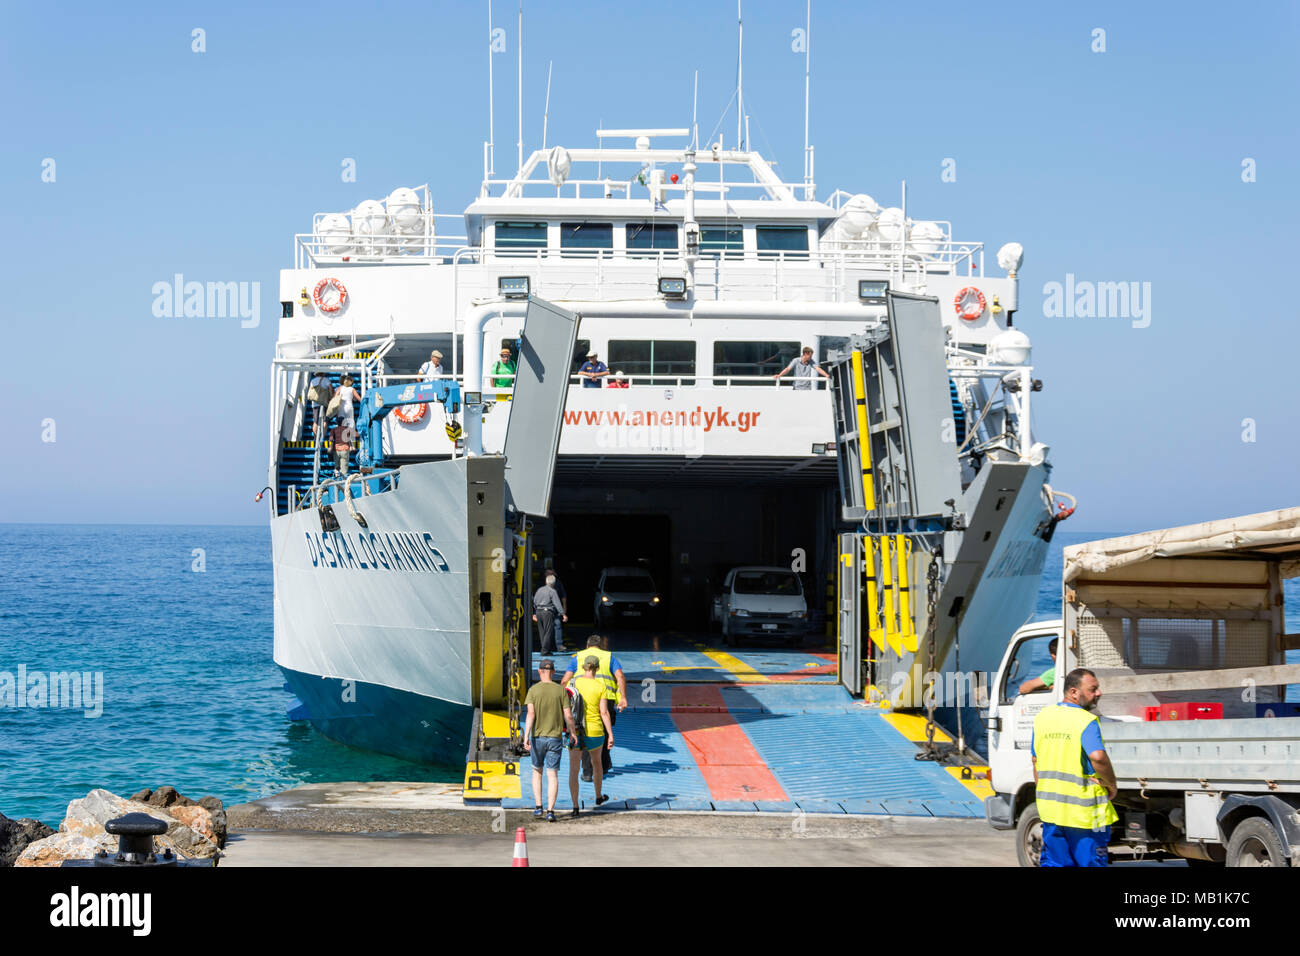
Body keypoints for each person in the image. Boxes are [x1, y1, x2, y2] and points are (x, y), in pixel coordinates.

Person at [1031, 668, 1118, 867]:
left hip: (1051, 811)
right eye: (1093, 689)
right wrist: (1111, 784)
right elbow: (1098, 757)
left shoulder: (1043, 718)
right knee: (1091, 862)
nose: (1098, 693)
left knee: (1055, 863)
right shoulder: (1085, 720)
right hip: (1085, 815)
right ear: (1073, 692)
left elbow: (1035, 760)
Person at [562, 635, 627, 782]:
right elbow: (620, 677)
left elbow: (565, 680)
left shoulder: (577, 657)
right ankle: (602, 767)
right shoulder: (609, 657)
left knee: (585, 732)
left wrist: (564, 699)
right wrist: (623, 697)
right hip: (607, 699)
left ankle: (588, 772)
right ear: (600, 646)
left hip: (582, 699)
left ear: (587, 646)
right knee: (602, 733)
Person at [523, 659, 576, 822]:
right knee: (552, 774)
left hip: (537, 737)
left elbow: (530, 715)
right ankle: (551, 811)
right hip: (555, 738)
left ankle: (538, 807)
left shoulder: (533, 690)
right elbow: (568, 715)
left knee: (537, 771)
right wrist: (573, 733)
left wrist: (526, 736)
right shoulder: (560, 691)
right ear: (553, 672)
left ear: (539, 671)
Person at [568, 655, 614, 815]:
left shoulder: (574, 683)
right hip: (595, 731)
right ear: (597, 668)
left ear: (584, 667)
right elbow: (604, 712)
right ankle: (598, 796)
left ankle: (575, 806)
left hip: (575, 730)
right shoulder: (601, 686)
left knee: (574, 769)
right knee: (597, 764)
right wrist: (610, 734)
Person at [532, 575, 566, 655]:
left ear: (546, 582)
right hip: (547, 612)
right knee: (548, 631)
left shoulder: (539, 590)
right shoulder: (552, 591)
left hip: (538, 612)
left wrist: (534, 613)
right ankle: (544, 650)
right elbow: (557, 603)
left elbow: (534, 601)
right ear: (554, 583)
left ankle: (546, 649)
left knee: (542, 632)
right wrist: (563, 614)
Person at [544, 564, 569, 653]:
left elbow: (563, 597)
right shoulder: (541, 585)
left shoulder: (558, 583)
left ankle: (559, 645)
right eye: (549, 574)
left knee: (557, 626)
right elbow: (535, 599)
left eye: (552, 574)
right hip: (544, 609)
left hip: (555, 609)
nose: (551, 576)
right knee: (546, 628)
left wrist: (563, 610)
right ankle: (546, 647)